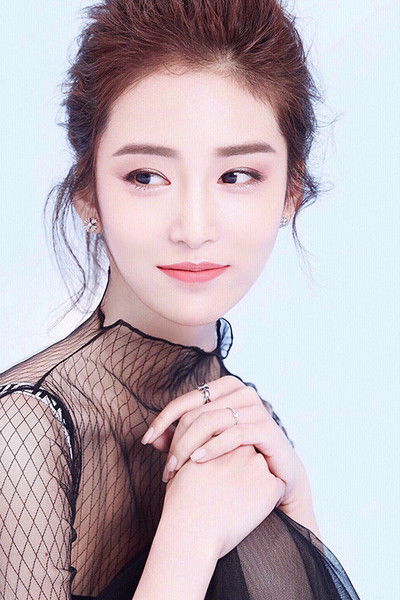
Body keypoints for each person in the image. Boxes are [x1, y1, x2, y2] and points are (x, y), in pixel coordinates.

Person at [0, 1, 360, 598]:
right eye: (146, 177)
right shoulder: (27, 429)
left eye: (236, 176)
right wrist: (188, 539)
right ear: (88, 192)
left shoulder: (241, 419)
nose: (193, 228)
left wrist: (298, 506)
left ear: (291, 191)